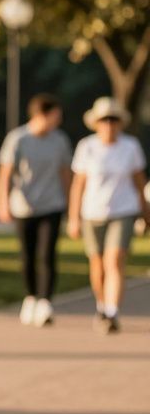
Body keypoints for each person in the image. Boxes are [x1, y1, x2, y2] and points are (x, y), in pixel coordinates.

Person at [68, 96, 149, 334]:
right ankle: (102, 305)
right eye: (105, 119)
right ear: (97, 122)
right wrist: (73, 217)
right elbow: (78, 185)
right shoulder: (87, 147)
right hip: (92, 212)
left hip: (123, 211)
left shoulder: (130, 147)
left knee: (114, 260)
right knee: (98, 264)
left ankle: (112, 311)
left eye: (113, 119)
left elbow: (138, 181)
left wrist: (146, 212)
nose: (109, 124)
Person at [0, 94, 72, 327]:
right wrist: (3, 202)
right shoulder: (18, 139)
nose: (58, 121)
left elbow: (66, 173)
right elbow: (5, 173)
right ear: (41, 115)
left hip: (52, 204)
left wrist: (71, 203)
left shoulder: (59, 140)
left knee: (47, 254)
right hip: (24, 206)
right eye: (55, 116)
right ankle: (30, 297)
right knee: (27, 256)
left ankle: (45, 302)